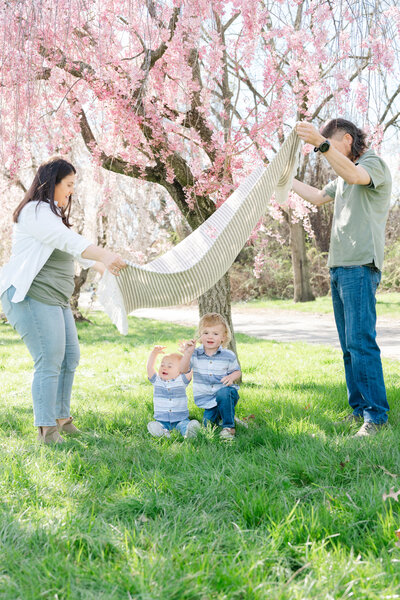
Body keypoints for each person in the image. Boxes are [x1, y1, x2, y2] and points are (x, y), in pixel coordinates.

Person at [0, 157, 127, 444]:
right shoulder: (35, 211)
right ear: (52, 182)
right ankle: (47, 430)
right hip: (30, 296)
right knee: (50, 359)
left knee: (70, 357)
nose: (71, 191)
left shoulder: (51, 214)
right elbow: (66, 240)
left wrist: (105, 266)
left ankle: (61, 418)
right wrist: (104, 254)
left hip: (55, 299)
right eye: (68, 184)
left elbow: (74, 250)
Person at [292, 119, 392, 437]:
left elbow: (355, 175)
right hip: (339, 268)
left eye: (331, 146)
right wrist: (284, 180)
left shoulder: (371, 163)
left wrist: (321, 145)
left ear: (346, 140)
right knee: (348, 347)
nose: (325, 153)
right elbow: (317, 196)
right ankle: (359, 410)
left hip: (360, 266)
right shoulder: (342, 177)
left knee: (361, 343)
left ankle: (376, 417)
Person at [180, 312, 241, 440]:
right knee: (208, 425)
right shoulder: (195, 354)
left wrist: (231, 377)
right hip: (208, 401)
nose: (210, 337)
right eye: (206, 333)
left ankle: (229, 428)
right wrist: (187, 353)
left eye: (215, 334)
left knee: (223, 393)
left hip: (227, 394)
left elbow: (237, 371)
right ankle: (224, 416)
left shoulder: (228, 355)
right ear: (200, 336)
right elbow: (183, 369)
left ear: (223, 337)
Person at [146, 345, 201, 439]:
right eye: (162, 365)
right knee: (156, 425)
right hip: (162, 419)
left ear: (180, 370)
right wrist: (154, 354)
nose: (164, 368)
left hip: (180, 419)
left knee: (184, 425)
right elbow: (150, 367)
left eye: (169, 366)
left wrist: (187, 355)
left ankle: (189, 433)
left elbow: (190, 369)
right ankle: (163, 433)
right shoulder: (157, 381)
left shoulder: (181, 380)